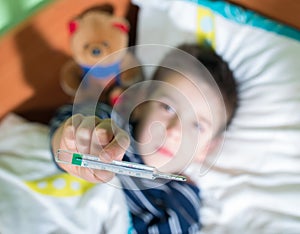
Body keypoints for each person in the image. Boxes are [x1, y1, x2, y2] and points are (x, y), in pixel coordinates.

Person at [50, 43, 238, 233]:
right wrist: (73, 141)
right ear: (140, 102)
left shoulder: (181, 201)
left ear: (206, 149)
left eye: (197, 126)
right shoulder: (109, 128)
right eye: (168, 107)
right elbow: (66, 125)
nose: (175, 131)